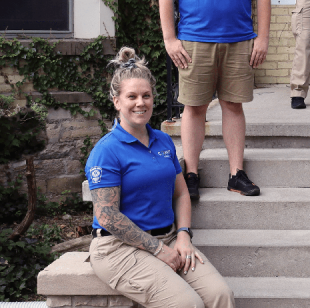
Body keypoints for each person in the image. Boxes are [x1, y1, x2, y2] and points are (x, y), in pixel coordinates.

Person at [85, 47, 234, 308]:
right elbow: (108, 215)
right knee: (187, 305)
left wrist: (184, 235)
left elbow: (181, 193)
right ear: (116, 101)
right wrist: (156, 250)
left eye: (146, 95)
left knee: (220, 295)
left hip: (169, 238)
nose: (140, 103)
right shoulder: (106, 151)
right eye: (131, 96)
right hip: (119, 249)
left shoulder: (163, 141)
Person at [159, 0, 272, 199]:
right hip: (194, 42)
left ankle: (236, 173)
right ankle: (191, 174)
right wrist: (170, 39)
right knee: (193, 109)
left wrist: (262, 38)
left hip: (238, 42)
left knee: (233, 106)